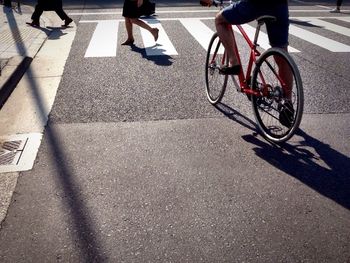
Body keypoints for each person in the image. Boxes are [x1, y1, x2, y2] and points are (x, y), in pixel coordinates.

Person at [201, 0, 294, 127]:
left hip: (254, 4)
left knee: (220, 20)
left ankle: (234, 63)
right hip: (280, 5)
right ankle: (287, 103)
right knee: (282, 54)